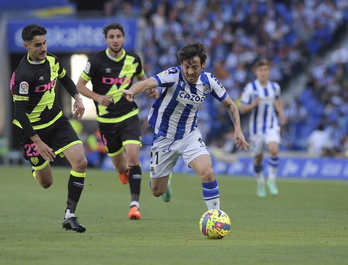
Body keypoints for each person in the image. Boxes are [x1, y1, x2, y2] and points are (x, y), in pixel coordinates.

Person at [122, 42, 248, 211]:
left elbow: (230, 105)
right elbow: (146, 83)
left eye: (194, 67)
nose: (189, 71)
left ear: (203, 64)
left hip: (189, 136)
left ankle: (215, 215)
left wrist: (238, 129)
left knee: (207, 172)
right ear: (181, 64)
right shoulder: (173, 75)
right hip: (164, 138)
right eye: (186, 66)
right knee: (157, 191)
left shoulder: (209, 81)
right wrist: (132, 91)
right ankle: (166, 182)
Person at [10, 24, 87, 232]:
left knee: (80, 161)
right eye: (37, 45)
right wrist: (38, 141)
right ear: (26, 46)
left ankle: (70, 215)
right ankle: (37, 169)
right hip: (32, 130)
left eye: (44, 43)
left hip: (57, 121)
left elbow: (65, 79)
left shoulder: (52, 60)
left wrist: (77, 98)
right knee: (46, 183)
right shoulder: (24, 75)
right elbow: (19, 112)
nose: (43, 48)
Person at [77, 22, 158, 220]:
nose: (115, 40)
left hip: (129, 115)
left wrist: (150, 89)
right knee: (122, 167)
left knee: (133, 157)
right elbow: (80, 85)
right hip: (106, 121)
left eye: (118, 36)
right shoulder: (95, 62)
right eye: (111, 37)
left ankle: (134, 206)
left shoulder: (133, 59)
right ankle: (123, 173)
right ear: (106, 40)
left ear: (123, 38)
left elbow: (142, 78)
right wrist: (97, 97)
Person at [239, 59, 286, 197]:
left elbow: (277, 99)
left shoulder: (274, 87)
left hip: (272, 125)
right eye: (260, 70)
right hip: (256, 130)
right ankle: (260, 183)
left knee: (273, 150)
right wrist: (254, 104)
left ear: (269, 71)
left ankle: (271, 180)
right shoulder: (250, 88)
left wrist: (281, 113)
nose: (263, 73)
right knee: (257, 159)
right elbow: (242, 108)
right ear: (256, 72)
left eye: (265, 70)